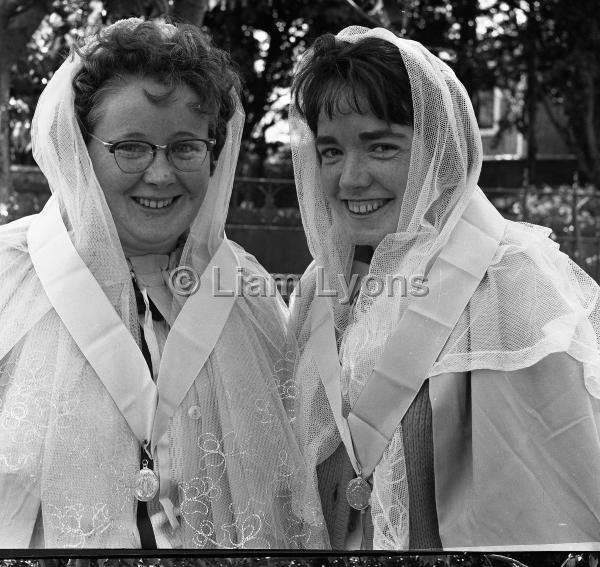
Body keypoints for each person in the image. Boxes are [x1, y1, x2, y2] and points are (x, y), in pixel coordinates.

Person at [0, 19, 327, 549]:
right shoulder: (8, 278)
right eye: (130, 147)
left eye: (184, 147)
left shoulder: (244, 290)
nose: (159, 174)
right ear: (81, 150)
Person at [289, 26, 600, 550]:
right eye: (330, 152)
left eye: (381, 146)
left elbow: (555, 501)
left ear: (439, 150)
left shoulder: (510, 275)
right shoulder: (320, 287)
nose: (350, 178)